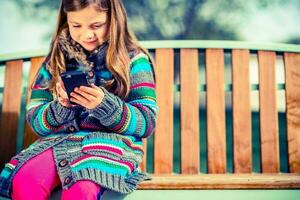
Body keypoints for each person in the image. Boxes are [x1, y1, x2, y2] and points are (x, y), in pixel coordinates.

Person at [0, 0, 158, 199]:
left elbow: (147, 122)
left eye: (96, 25)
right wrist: (61, 107)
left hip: (110, 147)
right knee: (25, 181)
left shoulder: (134, 61)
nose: (86, 35)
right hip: (58, 143)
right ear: (66, 21)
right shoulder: (54, 62)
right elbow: (36, 121)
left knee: (81, 188)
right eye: (76, 25)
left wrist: (105, 106)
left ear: (114, 20)